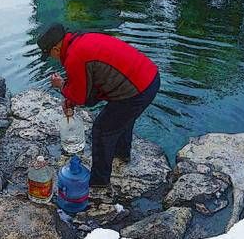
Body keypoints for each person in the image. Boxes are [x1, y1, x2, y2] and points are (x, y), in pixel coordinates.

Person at [38, 23, 160, 193]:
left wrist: (62, 87)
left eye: (49, 54)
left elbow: (82, 98)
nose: (52, 58)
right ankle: (122, 154)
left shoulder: (74, 56)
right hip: (149, 78)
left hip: (135, 90)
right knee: (121, 118)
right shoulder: (81, 40)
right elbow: (90, 87)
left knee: (103, 130)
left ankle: (99, 183)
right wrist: (70, 94)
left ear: (56, 49)